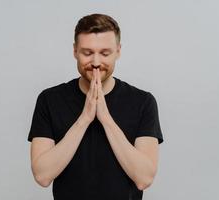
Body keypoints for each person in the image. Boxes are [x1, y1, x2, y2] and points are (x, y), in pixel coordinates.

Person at [27, 13, 164, 200]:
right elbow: (42, 176)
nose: (96, 62)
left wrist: (106, 118)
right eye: (87, 52)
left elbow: (144, 178)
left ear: (118, 51)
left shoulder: (143, 102)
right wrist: (84, 118)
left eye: (105, 53)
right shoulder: (49, 100)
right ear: (75, 51)